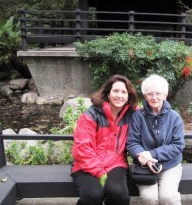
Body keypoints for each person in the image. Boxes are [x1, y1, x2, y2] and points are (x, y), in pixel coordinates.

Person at [71, 74, 138, 205]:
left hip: (115, 162)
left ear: (128, 97)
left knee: (119, 194)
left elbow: (150, 115)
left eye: (124, 92)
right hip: (87, 164)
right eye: (116, 91)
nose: (119, 95)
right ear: (108, 94)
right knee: (93, 196)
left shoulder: (132, 114)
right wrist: (100, 173)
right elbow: (82, 149)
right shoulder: (91, 115)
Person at [126, 74, 185, 205]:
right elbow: (132, 143)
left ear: (165, 94)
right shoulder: (137, 116)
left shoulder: (174, 117)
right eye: (149, 93)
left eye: (158, 93)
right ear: (145, 95)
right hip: (145, 165)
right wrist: (146, 159)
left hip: (170, 164)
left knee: (168, 198)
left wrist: (152, 154)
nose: (154, 97)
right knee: (149, 198)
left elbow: (178, 145)